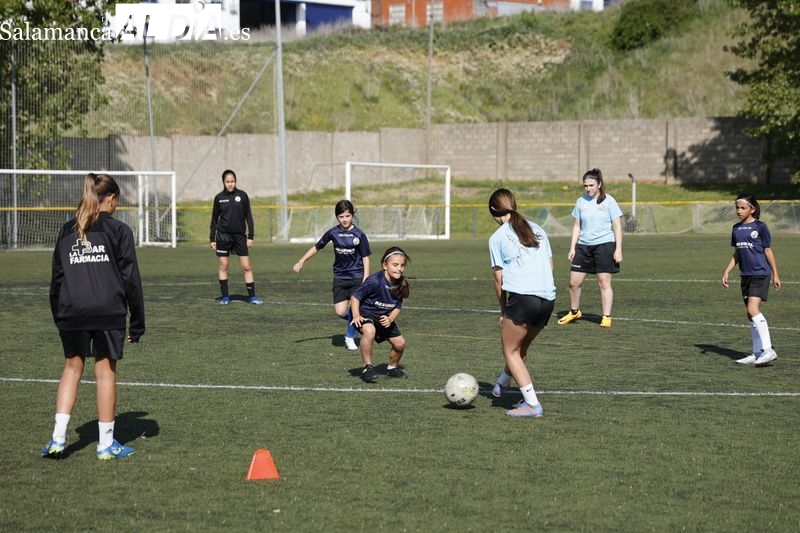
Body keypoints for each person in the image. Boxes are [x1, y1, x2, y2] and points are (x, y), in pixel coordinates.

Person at [43, 173, 145, 459]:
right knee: (105, 374)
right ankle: (105, 444)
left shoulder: (66, 231)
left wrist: (60, 317)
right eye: (116, 201)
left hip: (71, 313)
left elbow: (57, 282)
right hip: (107, 312)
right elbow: (131, 281)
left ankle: (57, 440)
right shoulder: (119, 232)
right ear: (111, 199)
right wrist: (137, 323)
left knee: (71, 369)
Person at [487, 189, 556, 418]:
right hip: (547, 299)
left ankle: (532, 405)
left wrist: (504, 310)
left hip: (523, 298)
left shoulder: (496, 238)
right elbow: (550, 265)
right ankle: (502, 383)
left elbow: (499, 279)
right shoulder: (538, 229)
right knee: (520, 348)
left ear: (494, 212)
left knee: (510, 350)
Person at [293, 200, 371, 350]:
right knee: (341, 311)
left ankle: (350, 337)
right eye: (341, 216)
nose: (345, 219)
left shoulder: (359, 234)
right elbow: (317, 247)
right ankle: (361, 320)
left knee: (355, 308)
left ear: (352, 215)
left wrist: (365, 277)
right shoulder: (333, 233)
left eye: (347, 216)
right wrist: (301, 261)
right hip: (340, 277)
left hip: (356, 277)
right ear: (337, 217)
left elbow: (365, 257)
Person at [557, 168, 623, 328]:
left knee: (604, 282)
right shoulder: (581, 201)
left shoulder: (609, 201)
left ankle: (606, 316)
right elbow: (577, 225)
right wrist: (572, 247)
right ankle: (574, 312)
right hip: (583, 247)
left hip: (605, 245)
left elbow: (617, 225)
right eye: (585, 185)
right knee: (573, 283)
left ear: (599, 184)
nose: (588, 188)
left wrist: (618, 248)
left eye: (591, 185)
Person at [722, 193, 781, 366]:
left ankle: (769, 350)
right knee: (750, 314)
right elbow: (738, 252)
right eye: (737, 208)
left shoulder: (760, 227)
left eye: (743, 208)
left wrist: (775, 274)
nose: (739, 211)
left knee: (753, 309)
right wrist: (727, 271)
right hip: (745, 275)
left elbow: (768, 251)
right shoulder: (736, 229)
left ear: (753, 209)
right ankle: (757, 353)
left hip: (760, 273)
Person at [350, 247, 411, 383]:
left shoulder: (401, 283)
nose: (399, 269)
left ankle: (392, 368)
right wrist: (356, 316)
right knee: (369, 331)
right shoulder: (374, 281)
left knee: (400, 344)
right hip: (365, 313)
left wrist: (390, 318)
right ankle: (367, 367)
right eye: (395, 265)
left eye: (402, 265)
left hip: (384, 317)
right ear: (385, 265)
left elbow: (397, 307)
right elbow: (355, 297)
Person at [209, 169, 263, 305]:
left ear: (235, 181)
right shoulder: (219, 198)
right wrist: (212, 238)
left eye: (232, 181)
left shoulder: (243, 196)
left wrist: (250, 236)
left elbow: (248, 216)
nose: (230, 184)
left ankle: (252, 296)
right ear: (223, 182)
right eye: (227, 182)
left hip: (240, 236)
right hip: (223, 236)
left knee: (246, 266)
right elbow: (214, 220)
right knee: (224, 265)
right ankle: (225, 297)